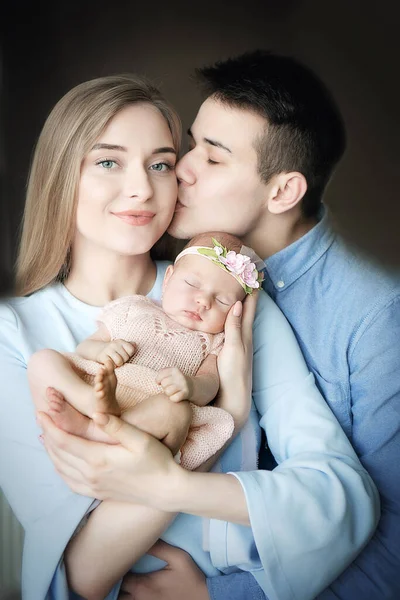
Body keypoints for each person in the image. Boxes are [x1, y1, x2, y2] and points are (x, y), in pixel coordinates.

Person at [0, 71, 377, 600]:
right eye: (108, 161)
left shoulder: (228, 299)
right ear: (62, 175)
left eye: (160, 163)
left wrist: (180, 461)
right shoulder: (13, 332)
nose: (142, 188)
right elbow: (80, 573)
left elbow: (341, 496)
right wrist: (233, 416)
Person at [114, 51, 399, 600]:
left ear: (283, 192)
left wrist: (219, 597)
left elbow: (394, 546)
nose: (183, 167)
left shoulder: (377, 315)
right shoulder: (173, 265)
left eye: (213, 159)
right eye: (193, 143)